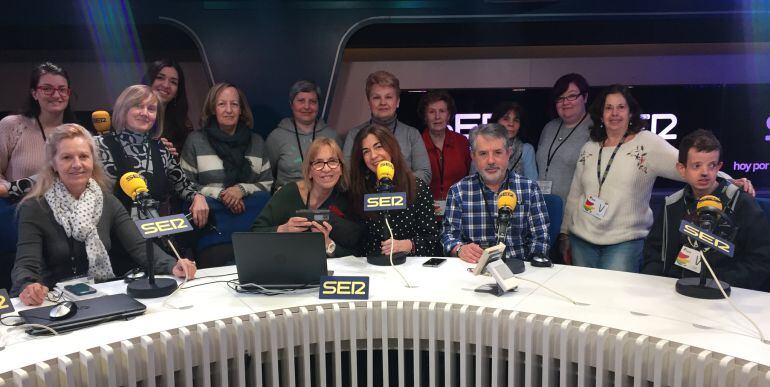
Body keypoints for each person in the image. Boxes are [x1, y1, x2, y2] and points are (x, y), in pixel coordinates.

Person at [561, 85, 753, 272]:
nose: (614, 113)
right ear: (601, 114)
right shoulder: (590, 148)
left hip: (623, 244)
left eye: (621, 107)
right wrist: (565, 234)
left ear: (631, 113)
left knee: (615, 301)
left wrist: (730, 180)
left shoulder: (646, 143)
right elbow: (575, 193)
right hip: (582, 241)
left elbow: (690, 165)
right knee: (584, 300)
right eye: (608, 108)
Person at [11, 124, 196, 305]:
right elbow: (26, 265)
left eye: (84, 156)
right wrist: (28, 286)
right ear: (53, 163)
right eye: (67, 157)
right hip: (53, 302)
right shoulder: (34, 208)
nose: (77, 164)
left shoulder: (108, 201)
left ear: (93, 160)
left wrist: (173, 264)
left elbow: (139, 246)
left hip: (102, 296)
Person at [641, 129, 770, 290]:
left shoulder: (741, 203)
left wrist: (718, 283)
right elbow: (654, 255)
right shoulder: (672, 205)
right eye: (697, 166)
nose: (705, 173)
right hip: (676, 290)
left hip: (728, 292)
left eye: (711, 166)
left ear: (719, 167)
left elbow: (760, 262)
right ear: (682, 169)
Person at [95, 85, 209, 227]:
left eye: (151, 109)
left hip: (155, 235)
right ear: (123, 109)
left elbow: (184, 186)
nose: (144, 113)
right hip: (112, 236)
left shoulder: (161, 149)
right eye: (138, 106)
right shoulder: (98, 146)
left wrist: (198, 197)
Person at [441, 123, 550, 263]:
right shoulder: (458, 191)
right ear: (473, 156)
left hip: (519, 270)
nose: (491, 161)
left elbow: (541, 238)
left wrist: (530, 265)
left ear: (508, 154)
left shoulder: (530, 189)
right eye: (483, 154)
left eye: (498, 153)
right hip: (473, 269)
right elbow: (448, 236)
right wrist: (460, 249)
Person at [252, 138, 362, 257]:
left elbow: (356, 251)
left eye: (332, 161)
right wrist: (283, 229)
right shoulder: (289, 193)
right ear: (309, 171)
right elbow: (255, 232)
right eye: (318, 163)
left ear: (341, 168)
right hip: (286, 263)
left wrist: (328, 244)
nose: (326, 168)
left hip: (327, 270)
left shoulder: (347, 199)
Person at [180, 82, 272, 215]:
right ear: (213, 109)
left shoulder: (257, 142)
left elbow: (267, 184)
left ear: (241, 109)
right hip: (211, 220)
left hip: (252, 218)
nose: (229, 110)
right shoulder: (195, 141)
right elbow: (184, 185)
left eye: (234, 104)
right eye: (222, 104)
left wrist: (241, 190)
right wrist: (222, 195)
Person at [349, 125, 438, 257]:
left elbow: (433, 241)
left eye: (378, 147)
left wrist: (408, 245)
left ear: (391, 147)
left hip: (409, 266)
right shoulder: (360, 190)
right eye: (366, 151)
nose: (373, 155)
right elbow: (356, 241)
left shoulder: (416, 187)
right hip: (371, 267)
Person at [534, 74, 592, 261]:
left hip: (574, 220)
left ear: (585, 97)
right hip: (543, 215)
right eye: (560, 98)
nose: (565, 102)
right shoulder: (549, 127)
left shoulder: (595, 130)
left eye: (572, 96)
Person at [0, 62, 77, 201]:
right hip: (17, 212)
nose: (56, 94)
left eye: (62, 89)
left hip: (65, 216)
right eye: (47, 89)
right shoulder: (12, 125)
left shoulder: (76, 133)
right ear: (34, 93)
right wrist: (9, 190)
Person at [342, 70, 431, 183]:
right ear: (369, 102)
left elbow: (425, 173)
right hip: (364, 199)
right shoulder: (354, 135)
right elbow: (347, 175)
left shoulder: (412, 134)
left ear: (397, 101)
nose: (383, 102)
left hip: (405, 198)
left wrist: (391, 184)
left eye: (388, 97)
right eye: (376, 98)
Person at [266, 80, 338, 190]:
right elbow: (267, 176)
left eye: (312, 101)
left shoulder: (332, 136)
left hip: (323, 199)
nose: (307, 106)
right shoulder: (276, 137)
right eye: (301, 101)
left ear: (318, 105)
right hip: (286, 200)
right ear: (291, 104)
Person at [418, 90, 471, 201]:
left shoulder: (462, 142)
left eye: (442, 111)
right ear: (425, 116)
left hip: (459, 207)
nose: (437, 116)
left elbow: (470, 177)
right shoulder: (416, 142)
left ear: (448, 115)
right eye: (432, 112)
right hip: (425, 208)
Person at [144, 59, 193, 157]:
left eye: (173, 82)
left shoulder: (183, 128)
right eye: (160, 77)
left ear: (177, 93)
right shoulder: (127, 116)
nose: (166, 85)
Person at [491, 101, 537, 181]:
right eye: (506, 119)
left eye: (516, 120)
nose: (511, 124)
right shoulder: (483, 146)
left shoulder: (526, 149)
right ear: (496, 122)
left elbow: (532, 185)